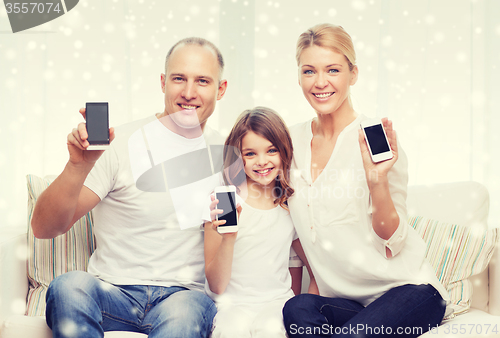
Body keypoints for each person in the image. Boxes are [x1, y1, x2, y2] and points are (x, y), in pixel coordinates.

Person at [31, 37, 228, 338]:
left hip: (181, 298)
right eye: (179, 78)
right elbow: (44, 227)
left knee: (185, 315)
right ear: (163, 82)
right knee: (68, 286)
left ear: (220, 89)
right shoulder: (120, 144)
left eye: (202, 81)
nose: (189, 93)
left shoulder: (229, 156)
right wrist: (78, 166)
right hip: (111, 292)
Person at [282, 23, 449, 338]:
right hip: (348, 303)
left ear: (353, 74)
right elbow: (298, 232)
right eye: (309, 71)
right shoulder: (289, 142)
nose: (320, 83)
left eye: (333, 70)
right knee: (297, 309)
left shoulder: (373, 136)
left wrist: (377, 181)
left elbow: (393, 242)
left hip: (408, 292)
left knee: (355, 335)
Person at [204, 107, 314, 338]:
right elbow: (216, 286)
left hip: (276, 304)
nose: (262, 161)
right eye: (250, 154)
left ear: (284, 151)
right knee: (232, 331)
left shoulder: (289, 202)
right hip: (231, 305)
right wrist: (229, 238)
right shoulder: (223, 200)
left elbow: (306, 262)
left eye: (271, 150)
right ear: (237, 157)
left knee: (270, 330)